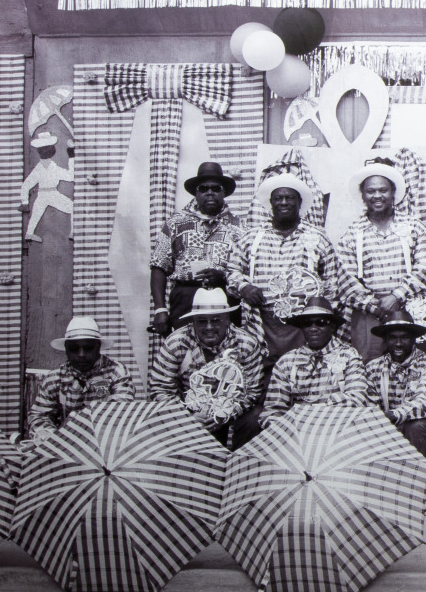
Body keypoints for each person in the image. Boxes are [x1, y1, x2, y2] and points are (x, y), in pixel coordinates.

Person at [229, 174, 341, 361]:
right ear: (270, 203)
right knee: (262, 372)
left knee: (302, 370)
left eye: (289, 198)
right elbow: (232, 270)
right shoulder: (252, 237)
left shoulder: (317, 237)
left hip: (303, 324)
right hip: (261, 321)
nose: (284, 202)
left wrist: (323, 319)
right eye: (278, 198)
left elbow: (332, 283)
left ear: (299, 202)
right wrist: (244, 287)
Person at [337, 158, 426, 360]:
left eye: (383, 190)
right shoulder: (351, 233)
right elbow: (346, 279)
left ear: (393, 193)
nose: (377, 196)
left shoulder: (414, 227)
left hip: (408, 308)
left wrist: (397, 297)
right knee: (368, 364)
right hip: (368, 314)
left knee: (413, 364)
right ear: (363, 196)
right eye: (371, 191)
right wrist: (374, 306)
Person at [146, 287, 265, 448]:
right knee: (157, 417)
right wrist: (187, 417)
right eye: (202, 321)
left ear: (227, 319)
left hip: (232, 411)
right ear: (193, 321)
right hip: (188, 411)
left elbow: (253, 391)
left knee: (256, 417)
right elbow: (160, 389)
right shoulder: (176, 343)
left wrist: (224, 414)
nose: (209, 327)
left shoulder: (246, 343)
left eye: (215, 320)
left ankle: (241, 464)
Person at [150, 161, 247, 335]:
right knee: (184, 350)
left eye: (216, 188)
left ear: (224, 192)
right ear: (196, 192)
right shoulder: (175, 223)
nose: (210, 192)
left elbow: (247, 270)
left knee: (226, 350)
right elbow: (159, 266)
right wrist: (160, 310)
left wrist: (224, 276)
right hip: (186, 296)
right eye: (203, 188)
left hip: (225, 296)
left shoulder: (240, 226)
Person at [259, 297, 370, 427]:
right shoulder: (286, 362)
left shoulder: (348, 356)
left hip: (336, 427)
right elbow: (272, 410)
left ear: (332, 326)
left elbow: (357, 399)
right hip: (296, 430)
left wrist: (309, 414)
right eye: (307, 323)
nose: (313, 328)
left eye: (321, 322)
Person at [26, 316, 134, 443]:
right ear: (66, 348)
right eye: (74, 348)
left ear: (98, 346)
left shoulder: (116, 372)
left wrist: (79, 420)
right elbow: (39, 416)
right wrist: (49, 434)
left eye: (88, 348)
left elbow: (122, 412)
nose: (81, 354)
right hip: (66, 444)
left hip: (106, 441)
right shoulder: (54, 378)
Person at [362, 309, 426, 462]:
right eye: (393, 338)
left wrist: (396, 414)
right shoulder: (374, 366)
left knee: (417, 426)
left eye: (405, 338)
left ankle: (417, 472)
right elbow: (369, 402)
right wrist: (379, 419)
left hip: (416, 426)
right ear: (385, 340)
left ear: (414, 339)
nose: (398, 343)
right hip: (384, 425)